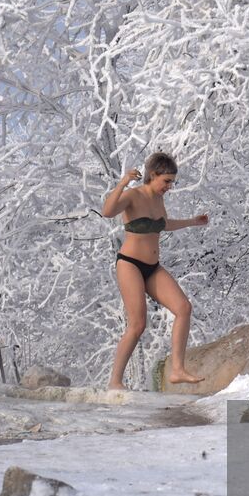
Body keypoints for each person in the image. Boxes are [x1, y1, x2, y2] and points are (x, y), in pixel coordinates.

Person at [99, 151, 209, 390]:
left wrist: (192, 221)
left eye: (172, 181)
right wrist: (122, 183)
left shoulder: (159, 199)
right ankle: (115, 382)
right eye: (166, 181)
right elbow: (107, 212)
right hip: (129, 264)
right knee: (138, 325)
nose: (169, 186)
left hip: (153, 267)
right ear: (152, 175)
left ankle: (177, 370)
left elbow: (163, 224)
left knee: (183, 308)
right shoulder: (133, 195)